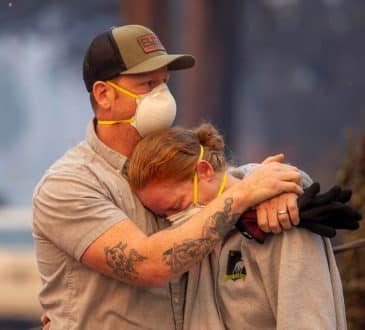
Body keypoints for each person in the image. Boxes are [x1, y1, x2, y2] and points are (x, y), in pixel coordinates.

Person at [32, 25, 304, 329]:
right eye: (147, 84)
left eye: (165, 82)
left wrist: (273, 187)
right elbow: (149, 264)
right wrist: (244, 196)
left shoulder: (168, 160)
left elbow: (225, 179)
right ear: (104, 94)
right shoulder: (68, 185)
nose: (162, 96)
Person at [127, 123, 347, 330]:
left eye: (177, 206)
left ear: (204, 171)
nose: (175, 220)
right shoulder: (198, 243)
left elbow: (308, 318)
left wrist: (285, 186)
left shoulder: (281, 218)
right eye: (164, 216)